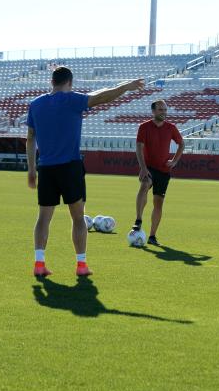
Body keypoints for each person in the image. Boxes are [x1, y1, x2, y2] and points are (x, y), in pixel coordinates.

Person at [26, 66, 143, 277]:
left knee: (43, 217)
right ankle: (81, 265)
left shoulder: (35, 105)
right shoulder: (72, 100)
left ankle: (39, 263)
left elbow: (30, 138)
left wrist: (31, 169)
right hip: (69, 166)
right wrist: (127, 86)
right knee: (78, 217)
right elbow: (103, 96)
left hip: (45, 167)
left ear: (51, 82)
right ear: (70, 83)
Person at [133, 99, 184, 246]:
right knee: (144, 185)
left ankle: (152, 236)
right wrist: (143, 167)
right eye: (161, 110)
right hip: (148, 167)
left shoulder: (171, 128)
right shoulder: (144, 127)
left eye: (165, 110)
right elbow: (138, 147)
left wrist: (174, 161)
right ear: (153, 111)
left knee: (158, 203)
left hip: (164, 170)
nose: (164, 112)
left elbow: (181, 144)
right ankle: (138, 220)